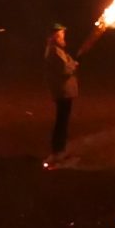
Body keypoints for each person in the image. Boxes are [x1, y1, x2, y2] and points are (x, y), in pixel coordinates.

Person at [44, 23, 78, 163]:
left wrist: (72, 63)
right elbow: (65, 69)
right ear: (55, 36)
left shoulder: (58, 50)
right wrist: (74, 65)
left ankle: (60, 151)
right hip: (62, 92)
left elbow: (66, 65)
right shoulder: (54, 51)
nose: (63, 36)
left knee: (63, 122)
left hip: (64, 92)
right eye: (61, 34)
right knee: (61, 123)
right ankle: (57, 152)